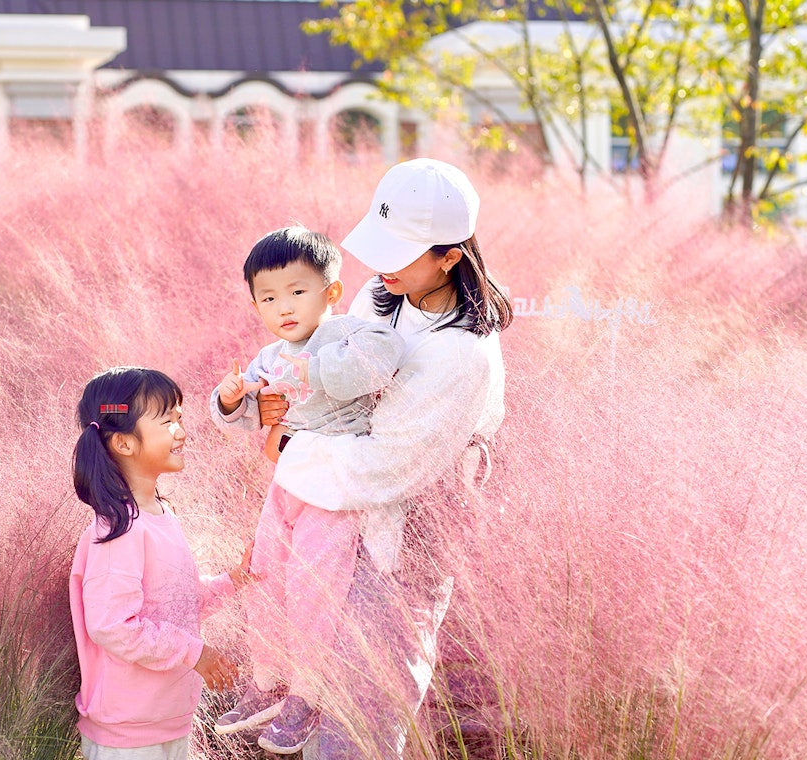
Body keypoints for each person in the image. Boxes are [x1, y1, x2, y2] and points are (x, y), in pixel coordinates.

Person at [261, 159, 514, 758]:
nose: (379, 266)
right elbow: (337, 376)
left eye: (398, 253)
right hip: (345, 524)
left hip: (406, 553)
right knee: (318, 701)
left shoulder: (463, 356)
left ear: (450, 256)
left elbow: (388, 467)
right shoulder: (388, 295)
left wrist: (293, 448)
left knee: (359, 730)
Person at [208, 226, 405, 754]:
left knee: (313, 588)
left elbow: (383, 354)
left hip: (333, 487)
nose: (284, 307)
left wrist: (309, 371)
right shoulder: (271, 354)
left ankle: (308, 691)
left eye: (298, 291)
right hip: (288, 482)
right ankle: (269, 676)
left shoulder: (349, 334)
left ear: (332, 293)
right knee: (268, 574)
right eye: (268, 298)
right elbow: (249, 412)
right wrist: (231, 400)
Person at [69, 366, 254, 760]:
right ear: (124, 443)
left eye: (180, 417)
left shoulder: (159, 513)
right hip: (128, 733)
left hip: (165, 719)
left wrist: (234, 580)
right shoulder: (117, 531)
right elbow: (111, 625)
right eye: (166, 420)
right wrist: (195, 654)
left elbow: (172, 600)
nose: (181, 431)